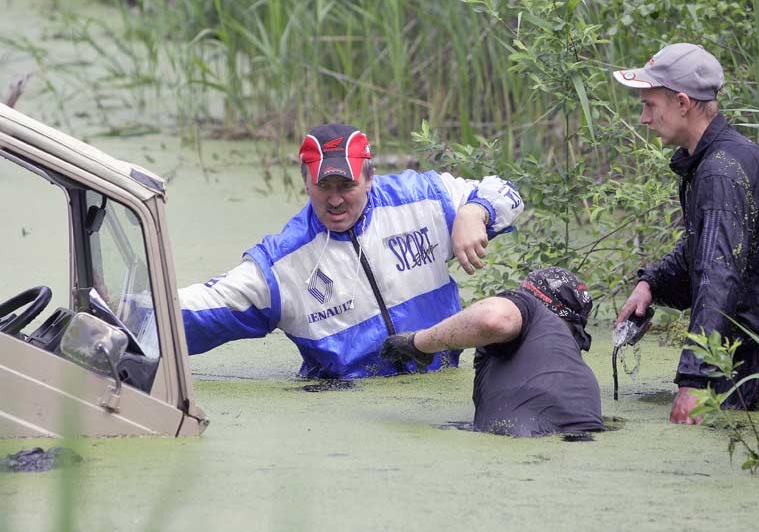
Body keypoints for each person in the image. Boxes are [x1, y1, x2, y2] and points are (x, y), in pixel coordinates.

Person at [178, 123, 525, 379]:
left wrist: (474, 212)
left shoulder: (424, 199)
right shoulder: (283, 262)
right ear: (305, 182)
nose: (334, 198)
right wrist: (130, 315)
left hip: (438, 394)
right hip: (344, 412)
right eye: (322, 186)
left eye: (347, 185)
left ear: (370, 177)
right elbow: (199, 309)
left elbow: (505, 194)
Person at [612, 42, 759, 423]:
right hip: (745, 355)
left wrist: (695, 381)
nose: (643, 118)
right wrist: (651, 284)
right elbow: (702, 249)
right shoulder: (722, 158)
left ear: (683, 103)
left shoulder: (720, 172)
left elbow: (718, 276)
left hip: (754, 368)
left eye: (650, 105)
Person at [380, 267, 604, 437]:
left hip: (521, 456)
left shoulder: (530, 308)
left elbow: (493, 319)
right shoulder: (580, 377)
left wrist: (418, 343)